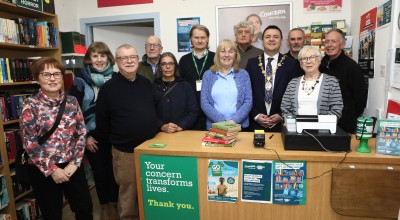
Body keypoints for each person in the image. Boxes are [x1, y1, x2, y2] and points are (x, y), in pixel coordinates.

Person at [20, 57, 93, 220]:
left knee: (85, 209)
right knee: (52, 214)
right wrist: (53, 170)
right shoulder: (29, 105)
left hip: (72, 167)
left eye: (56, 74)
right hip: (44, 171)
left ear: (62, 77)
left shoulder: (72, 102)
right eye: (46, 74)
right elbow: (29, 142)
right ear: (37, 79)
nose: (52, 79)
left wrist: (74, 164)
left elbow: (81, 133)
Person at [96, 44, 160, 220]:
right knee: (128, 198)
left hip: (150, 150)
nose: (129, 61)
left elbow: (151, 111)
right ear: (117, 62)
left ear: (138, 60)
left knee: (151, 196)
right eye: (124, 58)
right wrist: (119, 138)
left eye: (133, 57)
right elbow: (102, 122)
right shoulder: (108, 89)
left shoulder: (145, 83)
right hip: (125, 153)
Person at [69, 41, 119, 220]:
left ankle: (114, 205)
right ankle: (104, 206)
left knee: (114, 172)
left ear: (109, 58)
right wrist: (87, 136)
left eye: (103, 55)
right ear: (89, 59)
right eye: (95, 56)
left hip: (114, 135)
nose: (99, 59)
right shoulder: (80, 80)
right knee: (99, 173)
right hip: (92, 137)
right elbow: (73, 112)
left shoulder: (115, 78)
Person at [246, 25, 302, 132]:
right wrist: (256, 115)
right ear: (262, 41)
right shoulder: (252, 63)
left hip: (282, 124)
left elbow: (295, 95)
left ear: (281, 41)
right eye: (267, 37)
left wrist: (282, 115)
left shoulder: (292, 64)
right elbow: (247, 93)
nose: (271, 39)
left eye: (275, 37)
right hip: (256, 124)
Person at [319, 28, 368, 133]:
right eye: (327, 41)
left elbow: (360, 99)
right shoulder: (321, 64)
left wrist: (348, 116)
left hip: (343, 125)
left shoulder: (351, 67)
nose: (329, 45)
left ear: (342, 45)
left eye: (334, 41)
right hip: (322, 122)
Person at [201, 39, 252, 130]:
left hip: (239, 127)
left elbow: (248, 101)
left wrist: (233, 121)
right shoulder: (208, 75)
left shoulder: (243, 74)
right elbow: (204, 103)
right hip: (215, 127)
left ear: (235, 55)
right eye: (223, 51)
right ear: (218, 55)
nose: (227, 55)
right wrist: (222, 122)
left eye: (230, 51)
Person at [281, 46, 343, 119]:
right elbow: (285, 108)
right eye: (304, 59)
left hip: (322, 129)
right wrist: (292, 123)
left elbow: (336, 109)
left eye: (312, 57)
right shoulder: (293, 83)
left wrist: (318, 124)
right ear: (301, 63)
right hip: (297, 129)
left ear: (319, 60)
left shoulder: (331, 82)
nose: (308, 61)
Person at [179, 25, 215, 130]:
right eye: (196, 37)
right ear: (191, 39)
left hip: (212, 109)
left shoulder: (216, 58)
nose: (199, 40)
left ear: (207, 39)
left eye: (203, 37)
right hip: (190, 111)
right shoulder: (184, 60)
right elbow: (181, 86)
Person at [153, 52, 199, 133]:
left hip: (182, 132)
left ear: (175, 66)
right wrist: (162, 126)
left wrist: (180, 126)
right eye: (164, 64)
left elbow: (193, 111)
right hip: (161, 134)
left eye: (171, 63)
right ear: (160, 67)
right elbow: (150, 112)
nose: (168, 67)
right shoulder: (154, 87)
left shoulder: (185, 86)